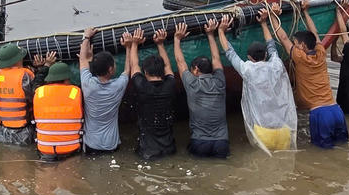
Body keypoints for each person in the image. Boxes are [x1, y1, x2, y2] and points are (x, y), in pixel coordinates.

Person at [268, 1, 349, 149]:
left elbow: (283, 38)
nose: (295, 46)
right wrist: (306, 11)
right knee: (343, 150)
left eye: (296, 44)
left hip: (320, 114)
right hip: (336, 110)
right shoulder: (321, 53)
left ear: (303, 47)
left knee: (321, 155)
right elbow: (316, 34)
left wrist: (271, 15)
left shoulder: (300, 58)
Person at [217, 10, 296, 154]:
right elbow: (271, 45)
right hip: (284, 131)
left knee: (264, 170)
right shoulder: (277, 65)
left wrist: (221, 31)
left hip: (263, 132)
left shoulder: (248, 70)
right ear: (265, 54)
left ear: (249, 57)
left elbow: (230, 53)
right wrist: (264, 23)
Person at [172, 20, 228, 158]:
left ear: (196, 70)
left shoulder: (192, 84)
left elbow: (180, 62)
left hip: (200, 142)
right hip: (222, 143)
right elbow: (216, 58)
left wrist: (176, 39)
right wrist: (210, 34)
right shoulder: (220, 82)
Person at [126, 27, 177, 160]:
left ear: (145, 73)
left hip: (147, 152)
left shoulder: (141, 86)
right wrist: (160, 44)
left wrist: (134, 44)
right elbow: (168, 67)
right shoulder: (170, 85)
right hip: (170, 148)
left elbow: (134, 65)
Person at [78, 27, 128, 155]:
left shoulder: (88, 85)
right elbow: (128, 69)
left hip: (91, 145)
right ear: (111, 69)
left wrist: (86, 37)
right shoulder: (118, 86)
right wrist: (129, 47)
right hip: (111, 145)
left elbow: (82, 59)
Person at [0, 43, 54, 146]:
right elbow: (35, 94)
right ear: (18, 59)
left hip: (2, 131)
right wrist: (44, 67)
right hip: (22, 131)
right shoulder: (24, 74)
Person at [33, 61, 83, 162]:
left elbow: (36, 83)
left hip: (45, 151)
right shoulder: (76, 92)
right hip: (71, 150)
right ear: (66, 79)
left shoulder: (39, 92)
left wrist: (42, 68)